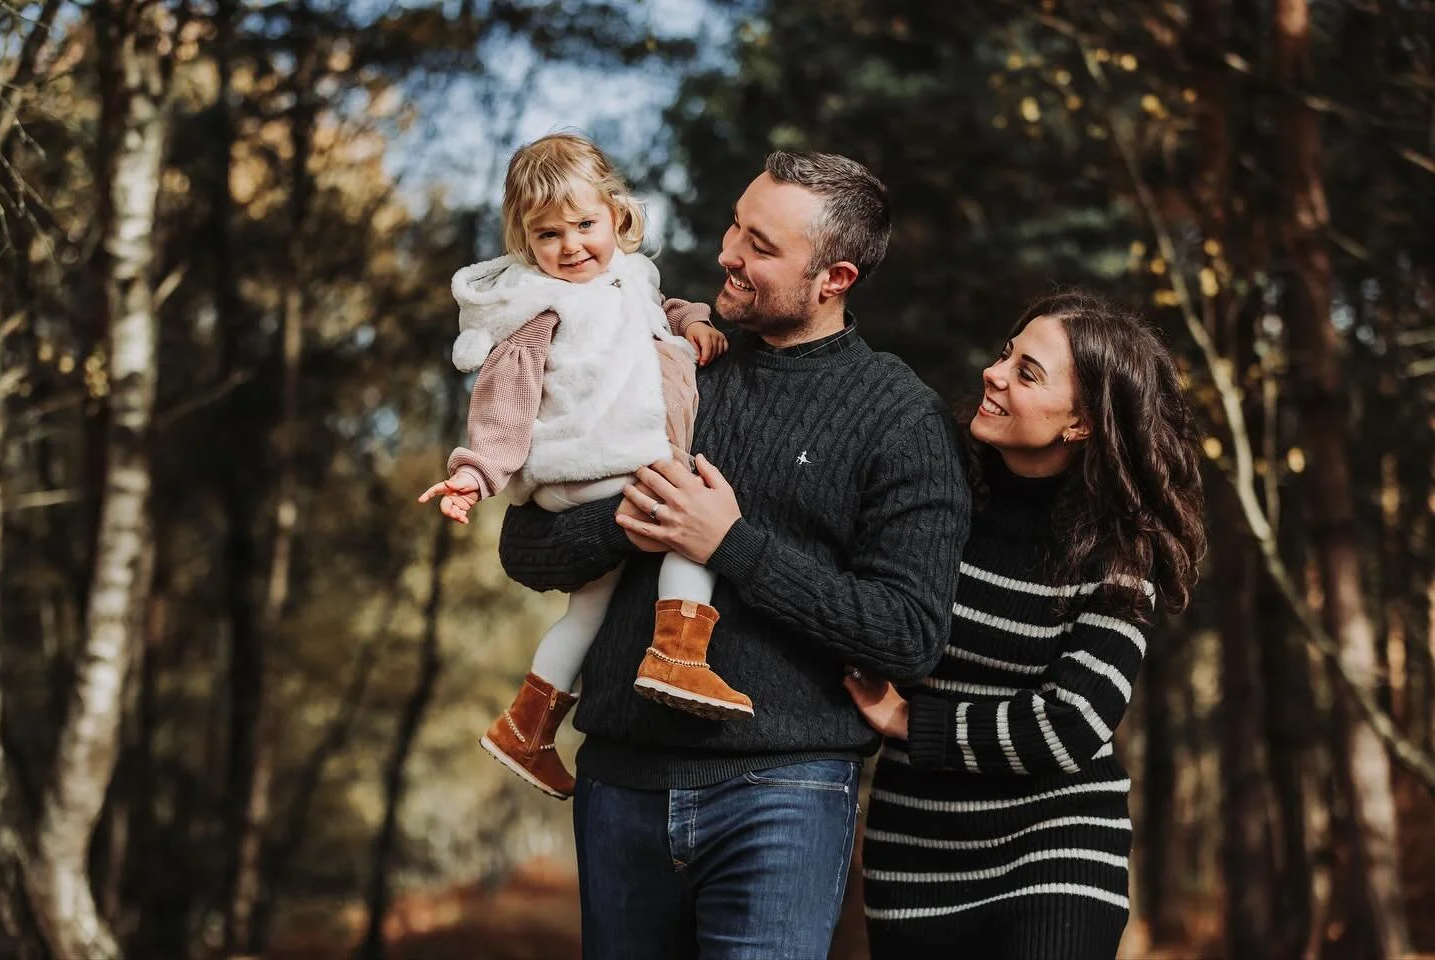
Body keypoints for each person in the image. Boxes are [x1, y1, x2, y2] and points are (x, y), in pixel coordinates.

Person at [497, 151, 970, 959]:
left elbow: (905, 635)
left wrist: (731, 545)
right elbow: (526, 547)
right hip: (619, 787)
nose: (727, 253)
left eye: (760, 245)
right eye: (734, 226)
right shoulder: (662, 361)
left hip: (785, 791)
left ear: (835, 277)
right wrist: (634, 520)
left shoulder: (900, 417)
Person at [845, 291, 1207, 960]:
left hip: (1058, 842)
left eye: (1027, 372)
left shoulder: (1119, 548)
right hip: (915, 849)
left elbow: (1072, 723)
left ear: (1081, 424)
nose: (995, 372)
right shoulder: (931, 486)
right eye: (1006, 354)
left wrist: (908, 722)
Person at [417, 132, 746, 802]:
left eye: (585, 225)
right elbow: (504, 398)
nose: (571, 247)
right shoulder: (544, 306)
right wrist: (475, 473)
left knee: (587, 611)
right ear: (524, 240)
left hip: (601, 471)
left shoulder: (629, 275)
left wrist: (696, 321)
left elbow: (657, 310)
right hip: (592, 462)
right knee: (695, 517)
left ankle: (527, 727)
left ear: (617, 216)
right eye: (548, 235)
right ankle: (679, 655)